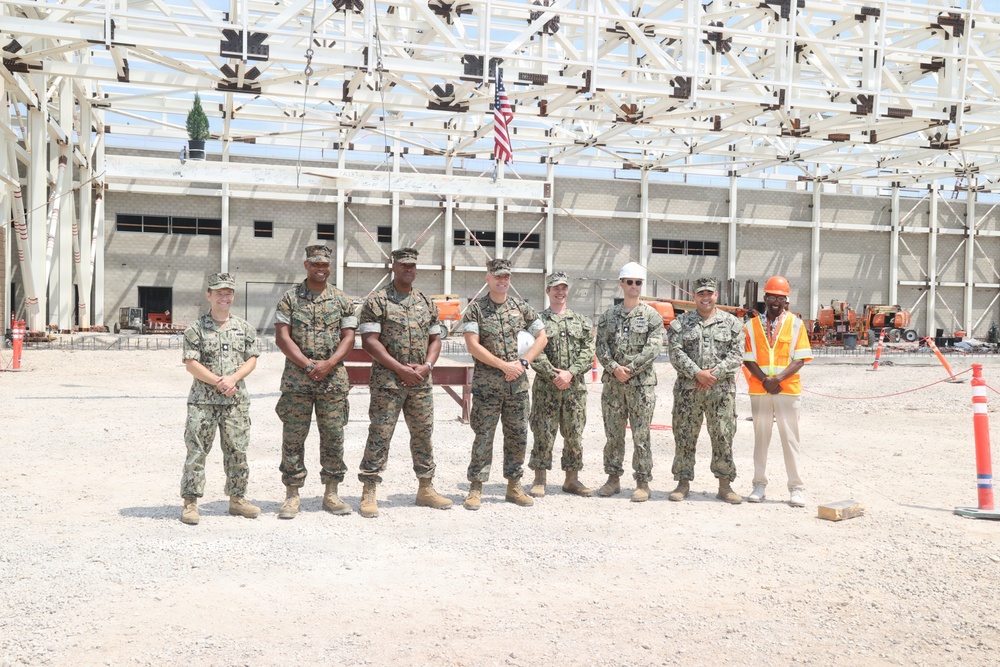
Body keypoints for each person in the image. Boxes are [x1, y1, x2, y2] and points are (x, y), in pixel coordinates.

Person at [356, 247, 453, 517]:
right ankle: (369, 490)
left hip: (420, 382)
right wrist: (400, 369)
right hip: (388, 382)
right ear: (394, 267)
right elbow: (369, 341)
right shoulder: (377, 301)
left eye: (412, 265)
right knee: (380, 434)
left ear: (416, 269)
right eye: (403, 265)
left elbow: (436, 339)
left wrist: (427, 366)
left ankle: (425, 488)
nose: (408, 269)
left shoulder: (426, 302)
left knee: (423, 435)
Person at [274, 245, 358, 519]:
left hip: (332, 381)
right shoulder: (289, 298)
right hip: (298, 381)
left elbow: (348, 336)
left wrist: (329, 363)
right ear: (306, 265)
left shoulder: (342, 300)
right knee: (293, 438)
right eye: (315, 264)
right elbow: (282, 338)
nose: (321, 269)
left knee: (333, 436)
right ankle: (292, 494)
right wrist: (309, 365)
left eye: (325, 265)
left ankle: (331, 493)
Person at [462, 258, 548, 510]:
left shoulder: (520, 308)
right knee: (483, 436)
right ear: (488, 278)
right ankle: (476, 487)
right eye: (497, 276)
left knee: (517, 436)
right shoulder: (476, 309)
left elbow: (542, 336)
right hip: (488, 388)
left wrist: (522, 363)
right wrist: (504, 365)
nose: (502, 281)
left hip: (517, 387)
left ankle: (514, 485)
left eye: (506, 277)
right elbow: (472, 345)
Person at [179, 272, 261, 525]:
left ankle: (237, 499)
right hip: (203, 402)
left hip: (235, 402)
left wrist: (233, 378)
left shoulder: (244, 327)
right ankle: (191, 503)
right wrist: (219, 381)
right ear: (209, 295)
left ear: (233, 296)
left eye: (228, 293)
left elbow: (252, 359)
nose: (223, 297)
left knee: (237, 451)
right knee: (196, 452)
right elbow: (190, 363)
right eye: (218, 293)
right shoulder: (196, 328)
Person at [667, 277, 745, 504]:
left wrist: (713, 375)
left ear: (716, 296)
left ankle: (724, 484)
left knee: (723, 435)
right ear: (694, 296)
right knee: (684, 435)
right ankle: (682, 482)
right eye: (701, 293)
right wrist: (697, 374)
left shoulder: (732, 324)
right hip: (688, 391)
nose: (705, 297)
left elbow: (736, 355)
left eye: (709, 293)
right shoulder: (680, 324)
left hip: (721, 392)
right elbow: (676, 353)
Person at [595, 261, 665, 502]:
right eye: (630, 282)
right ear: (621, 284)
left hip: (641, 385)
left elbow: (654, 346)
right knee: (613, 433)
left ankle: (643, 482)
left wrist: (631, 369)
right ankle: (613, 479)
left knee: (641, 434)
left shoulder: (651, 315)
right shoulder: (609, 316)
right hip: (614, 385)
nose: (634, 286)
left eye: (638, 283)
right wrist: (615, 368)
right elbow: (601, 346)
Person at [743, 275, 813, 507]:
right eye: (772, 296)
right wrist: (765, 381)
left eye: (780, 297)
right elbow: (748, 358)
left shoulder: (796, 324)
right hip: (761, 389)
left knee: (790, 439)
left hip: (787, 389)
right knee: (761, 439)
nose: (775, 301)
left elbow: (801, 357)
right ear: (765, 298)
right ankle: (759, 485)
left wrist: (778, 380)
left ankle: (796, 488)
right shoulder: (751, 326)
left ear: (786, 301)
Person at [527, 271, 596, 498]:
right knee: (543, 432)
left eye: (564, 288)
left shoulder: (581, 321)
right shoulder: (537, 322)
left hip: (574, 388)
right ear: (548, 291)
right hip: (547, 388)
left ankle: (572, 478)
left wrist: (570, 373)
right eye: (555, 288)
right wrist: (553, 375)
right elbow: (533, 352)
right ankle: (540, 478)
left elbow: (589, 351)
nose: (560, 292)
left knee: (574, 432)